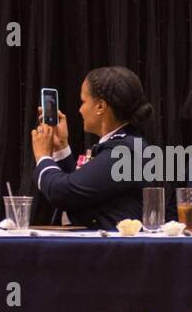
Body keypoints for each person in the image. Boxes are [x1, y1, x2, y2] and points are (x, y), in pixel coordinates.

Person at [31, 66, 153, 229]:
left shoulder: (125, 153)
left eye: (83, 101)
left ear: (100, 107)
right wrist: (61, 147)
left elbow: (64, 193)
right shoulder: (124, 146)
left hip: (114, 251)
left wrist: (43, 157)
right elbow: (80, 189)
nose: (80, 110)